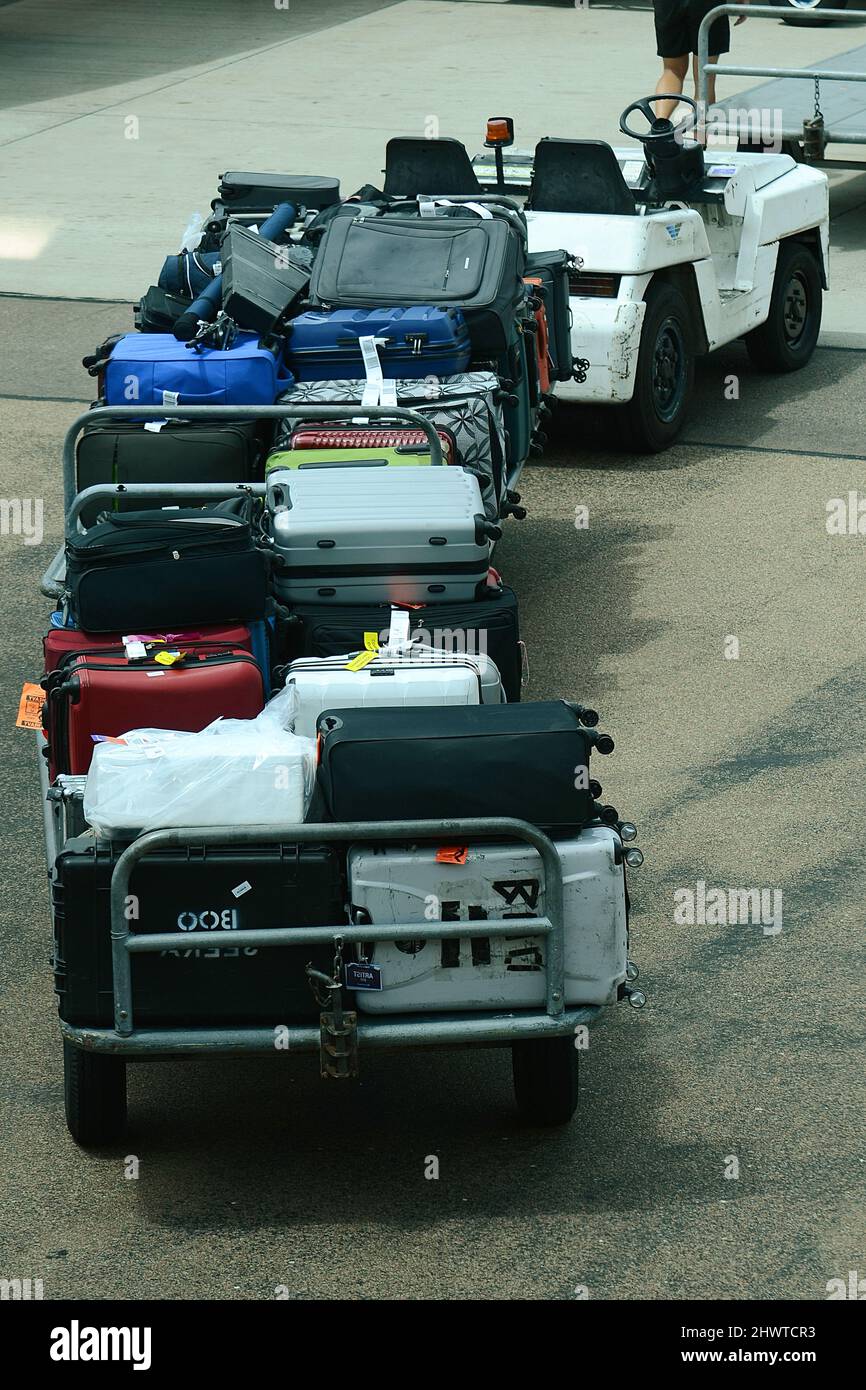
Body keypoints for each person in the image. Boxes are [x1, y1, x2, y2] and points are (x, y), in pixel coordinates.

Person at [653, 0, 749, 119]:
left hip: (669, 5)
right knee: (704, 78)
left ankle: (659, 124)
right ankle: (700, 130)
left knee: (672, 71)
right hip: (706, 5)